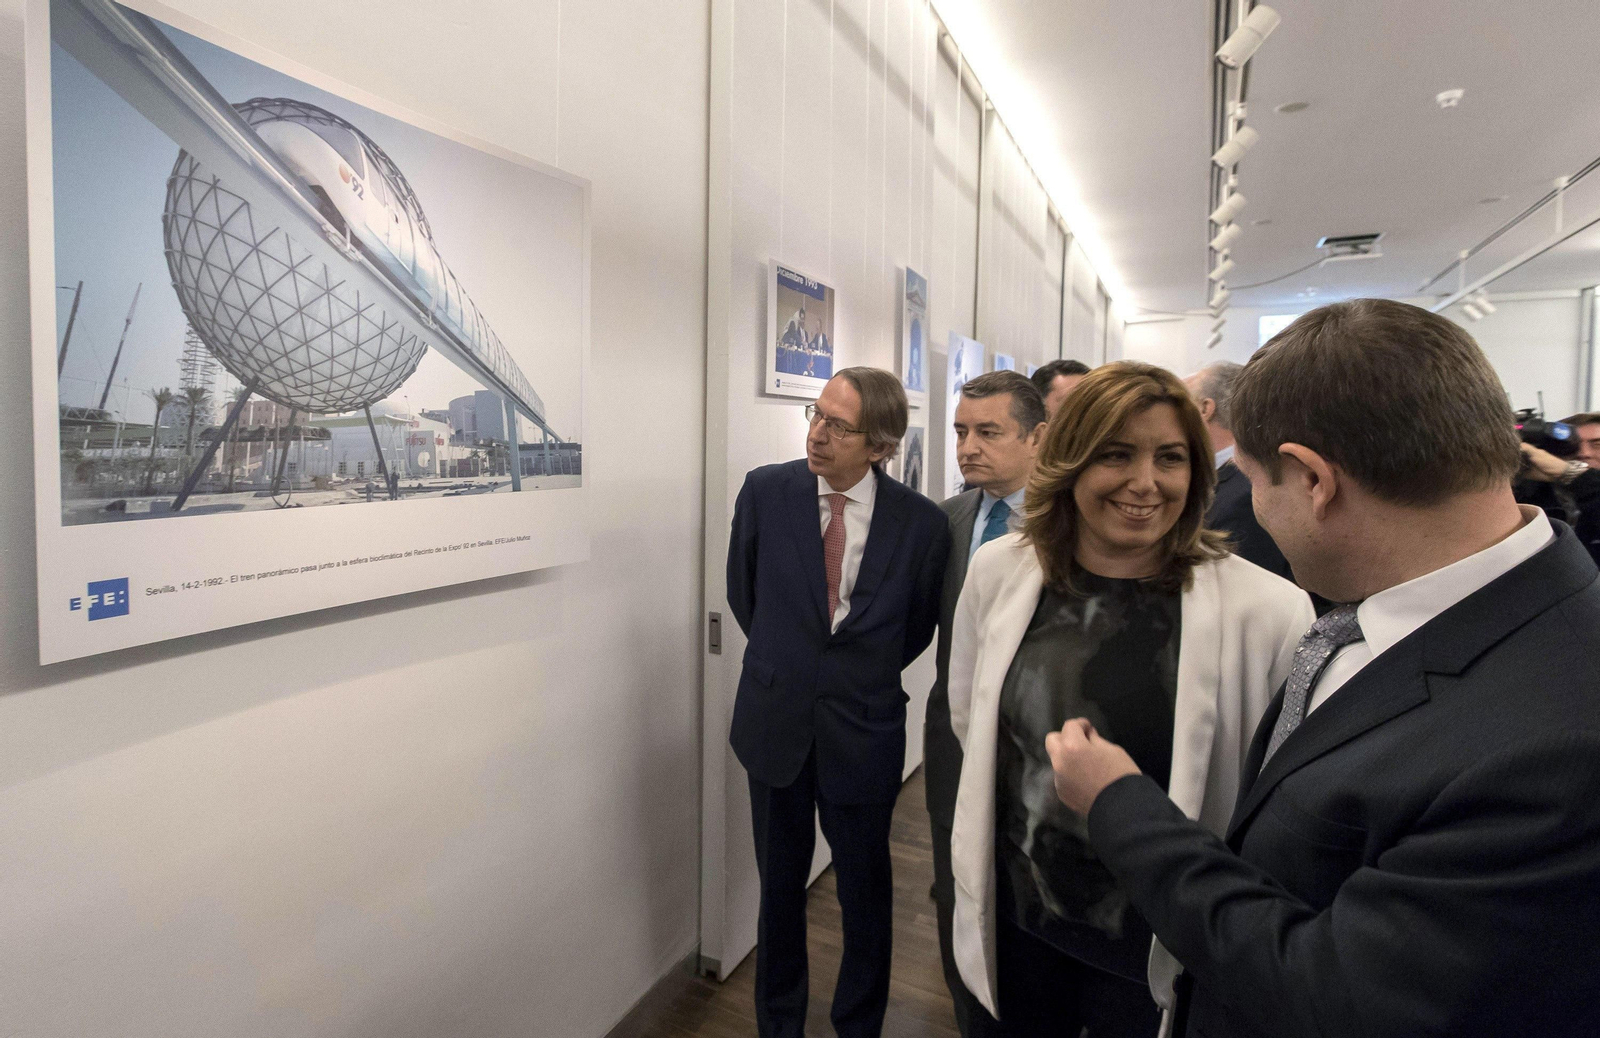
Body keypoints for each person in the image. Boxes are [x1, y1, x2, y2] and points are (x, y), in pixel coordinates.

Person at [1045, 299, 1600, 1038]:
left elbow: (1331, 994)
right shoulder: (1372, 619)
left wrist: (1118, 802)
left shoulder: (1559, 745)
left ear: (1312, 478)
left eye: (1248, 482)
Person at [947, 362, 1314, 1037]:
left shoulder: (1268, 611)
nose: (1146, 482)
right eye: (1116, 454)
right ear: (1070, 461)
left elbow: (1271, 802)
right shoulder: (1000, 570)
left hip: (1157, 950)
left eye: (1170, 458)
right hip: (1021, 921)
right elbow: (972, 715)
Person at [727, 367, 951, 1038]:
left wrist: (850, 675)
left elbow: (915, 628)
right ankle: (779, 1025)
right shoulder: (766, 492)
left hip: (863, 731)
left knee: (865, 896)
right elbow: (745, 596)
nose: (817, 435)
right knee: (778, 894)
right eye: (816, 415)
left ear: (880, 446)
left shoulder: (922, 524)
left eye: (839, 426)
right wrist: (794, 666)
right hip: (776, 726)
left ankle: (858, 1025)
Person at [925, 371, 1047, 1037]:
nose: (968, 447)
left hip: (1042, 745)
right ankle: (970, 1014)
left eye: (988, 433)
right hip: (954, 739)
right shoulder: (949, 519)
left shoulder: (1073, 519)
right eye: (961, 432)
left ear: (1037, 438)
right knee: (956, 884)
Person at [1183, 362, 1293, 582]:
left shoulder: (1246, 493)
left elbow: (1246, 587)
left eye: (1180, 405)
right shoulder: (1236, 481)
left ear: (1205, 409)